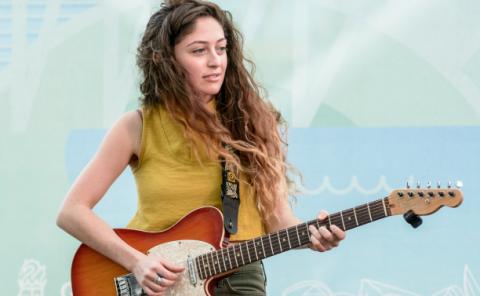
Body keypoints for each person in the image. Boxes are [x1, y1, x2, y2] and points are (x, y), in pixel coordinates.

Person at [56, 0, 346, 295]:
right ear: (166, 60)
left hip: (240, 279)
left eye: (221, 49)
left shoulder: (253, 123)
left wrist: (311, 236)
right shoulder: (137, 126)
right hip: (159, 284)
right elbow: (72, 211)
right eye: (198, 50)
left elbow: (277, 219)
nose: (215, 61)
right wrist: (137, 262)